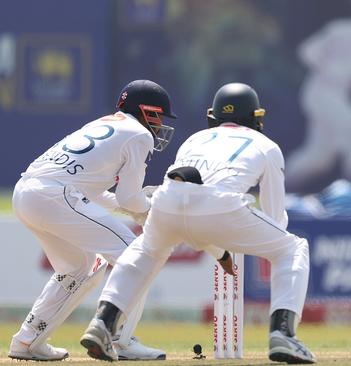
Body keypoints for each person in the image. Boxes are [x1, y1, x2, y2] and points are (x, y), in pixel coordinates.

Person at [79, 83, 316, 364]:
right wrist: (260, 243)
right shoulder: (267, 146)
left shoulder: (195, 139)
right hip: (221, 203)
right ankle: (283, 334)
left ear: (213, 116)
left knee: (144, 252)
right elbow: (275, 217)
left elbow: (190, 208)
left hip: (168, 198)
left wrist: (219, 251)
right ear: (256, 117)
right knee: (293, 248)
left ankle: (103, 323)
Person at [9, 79, 176, 361]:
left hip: (27, 193)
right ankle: (120, 340)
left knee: (81, 267)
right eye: (158, 116)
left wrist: (134, 206)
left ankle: (26, 342)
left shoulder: (104, 124)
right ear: (146, 111)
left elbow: (94, 193)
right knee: (138, 255)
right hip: (54, 196)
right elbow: (129, 198)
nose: (160, 125)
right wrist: (149, 206)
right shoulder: (139, 134)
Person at [285, 0, 351, 190]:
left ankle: (284, 183)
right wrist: (330, 67)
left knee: (320, 157)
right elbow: (307, 51)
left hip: (342, 98)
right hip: (320, 92)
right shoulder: (340, 31)